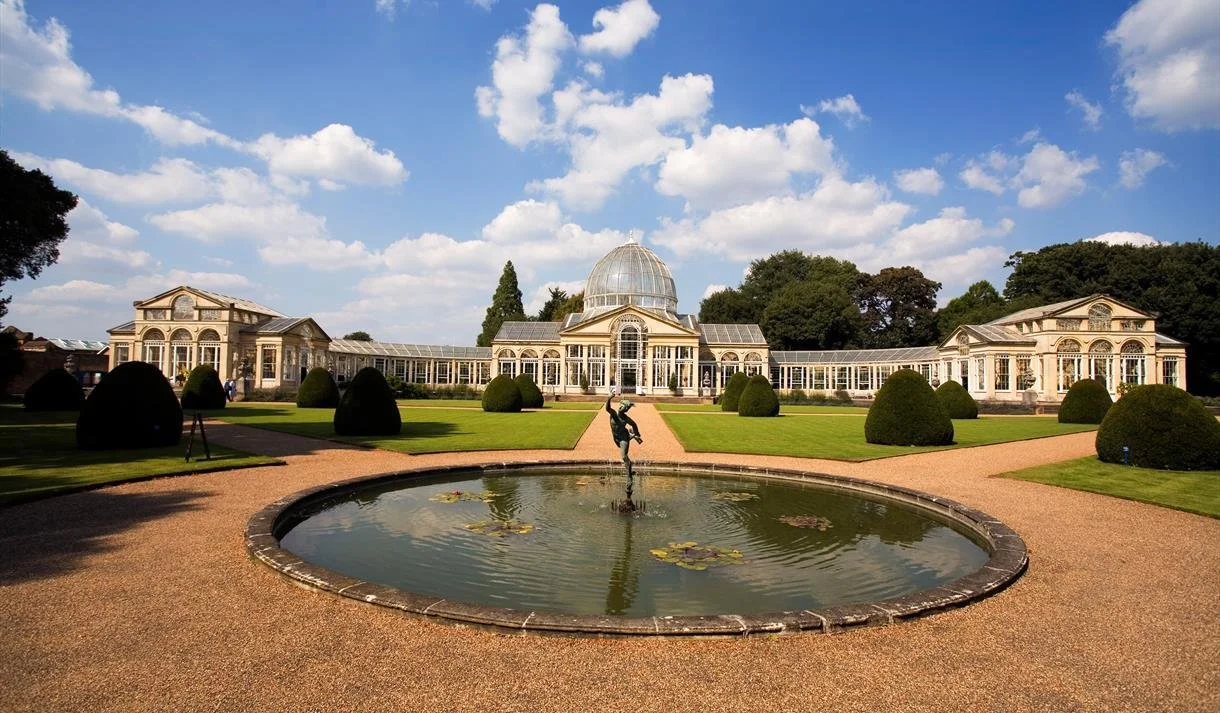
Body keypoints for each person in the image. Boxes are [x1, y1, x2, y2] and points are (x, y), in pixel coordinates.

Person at [605, 391, 643, 478]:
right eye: (622, 406)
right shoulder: (614, 414)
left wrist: (637, 433)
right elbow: (607, 409)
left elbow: (634, 424)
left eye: (624, 407)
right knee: (624, 454)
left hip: (623, 438)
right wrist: (609, 398)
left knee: (624, 456)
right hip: (615, 438)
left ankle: (629, 476)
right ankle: (632, 435)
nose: (621, 408)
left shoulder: (626, 418)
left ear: (626, 410)